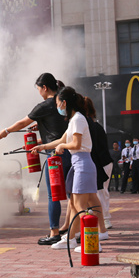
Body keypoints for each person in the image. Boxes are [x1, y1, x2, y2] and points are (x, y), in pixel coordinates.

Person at [0, 73, 70, 245]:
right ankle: (76, 231)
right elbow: (59, 128)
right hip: (71, 152)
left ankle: (54, 232)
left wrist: (6, 131)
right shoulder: (64, 102)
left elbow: (23, 123)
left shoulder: (45, 105)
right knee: (74, 195)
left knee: (53, 196)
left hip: (55, 155)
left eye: (39, 89)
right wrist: (42, 126)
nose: (39, 92)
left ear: (44, 87)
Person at [31, 87, 100, 250]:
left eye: (57, 104)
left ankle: (92, 242)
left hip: (82, 164)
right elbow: (62, 139)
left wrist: (62, 146)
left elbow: (75, 144)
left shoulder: (78, 119)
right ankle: (70, 239)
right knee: (75, 205)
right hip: (78, 164)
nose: (57, 107)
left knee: (80, 207)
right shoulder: (74, 119)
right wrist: (43, 146)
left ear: (64, 103)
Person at [84, 97, 114, 230]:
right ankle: (102, 218)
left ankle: (105, 220)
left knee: (101, 192)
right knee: (100, 192)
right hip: (102, 162)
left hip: (101, 163)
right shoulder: (94, 125)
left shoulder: (92, 126)